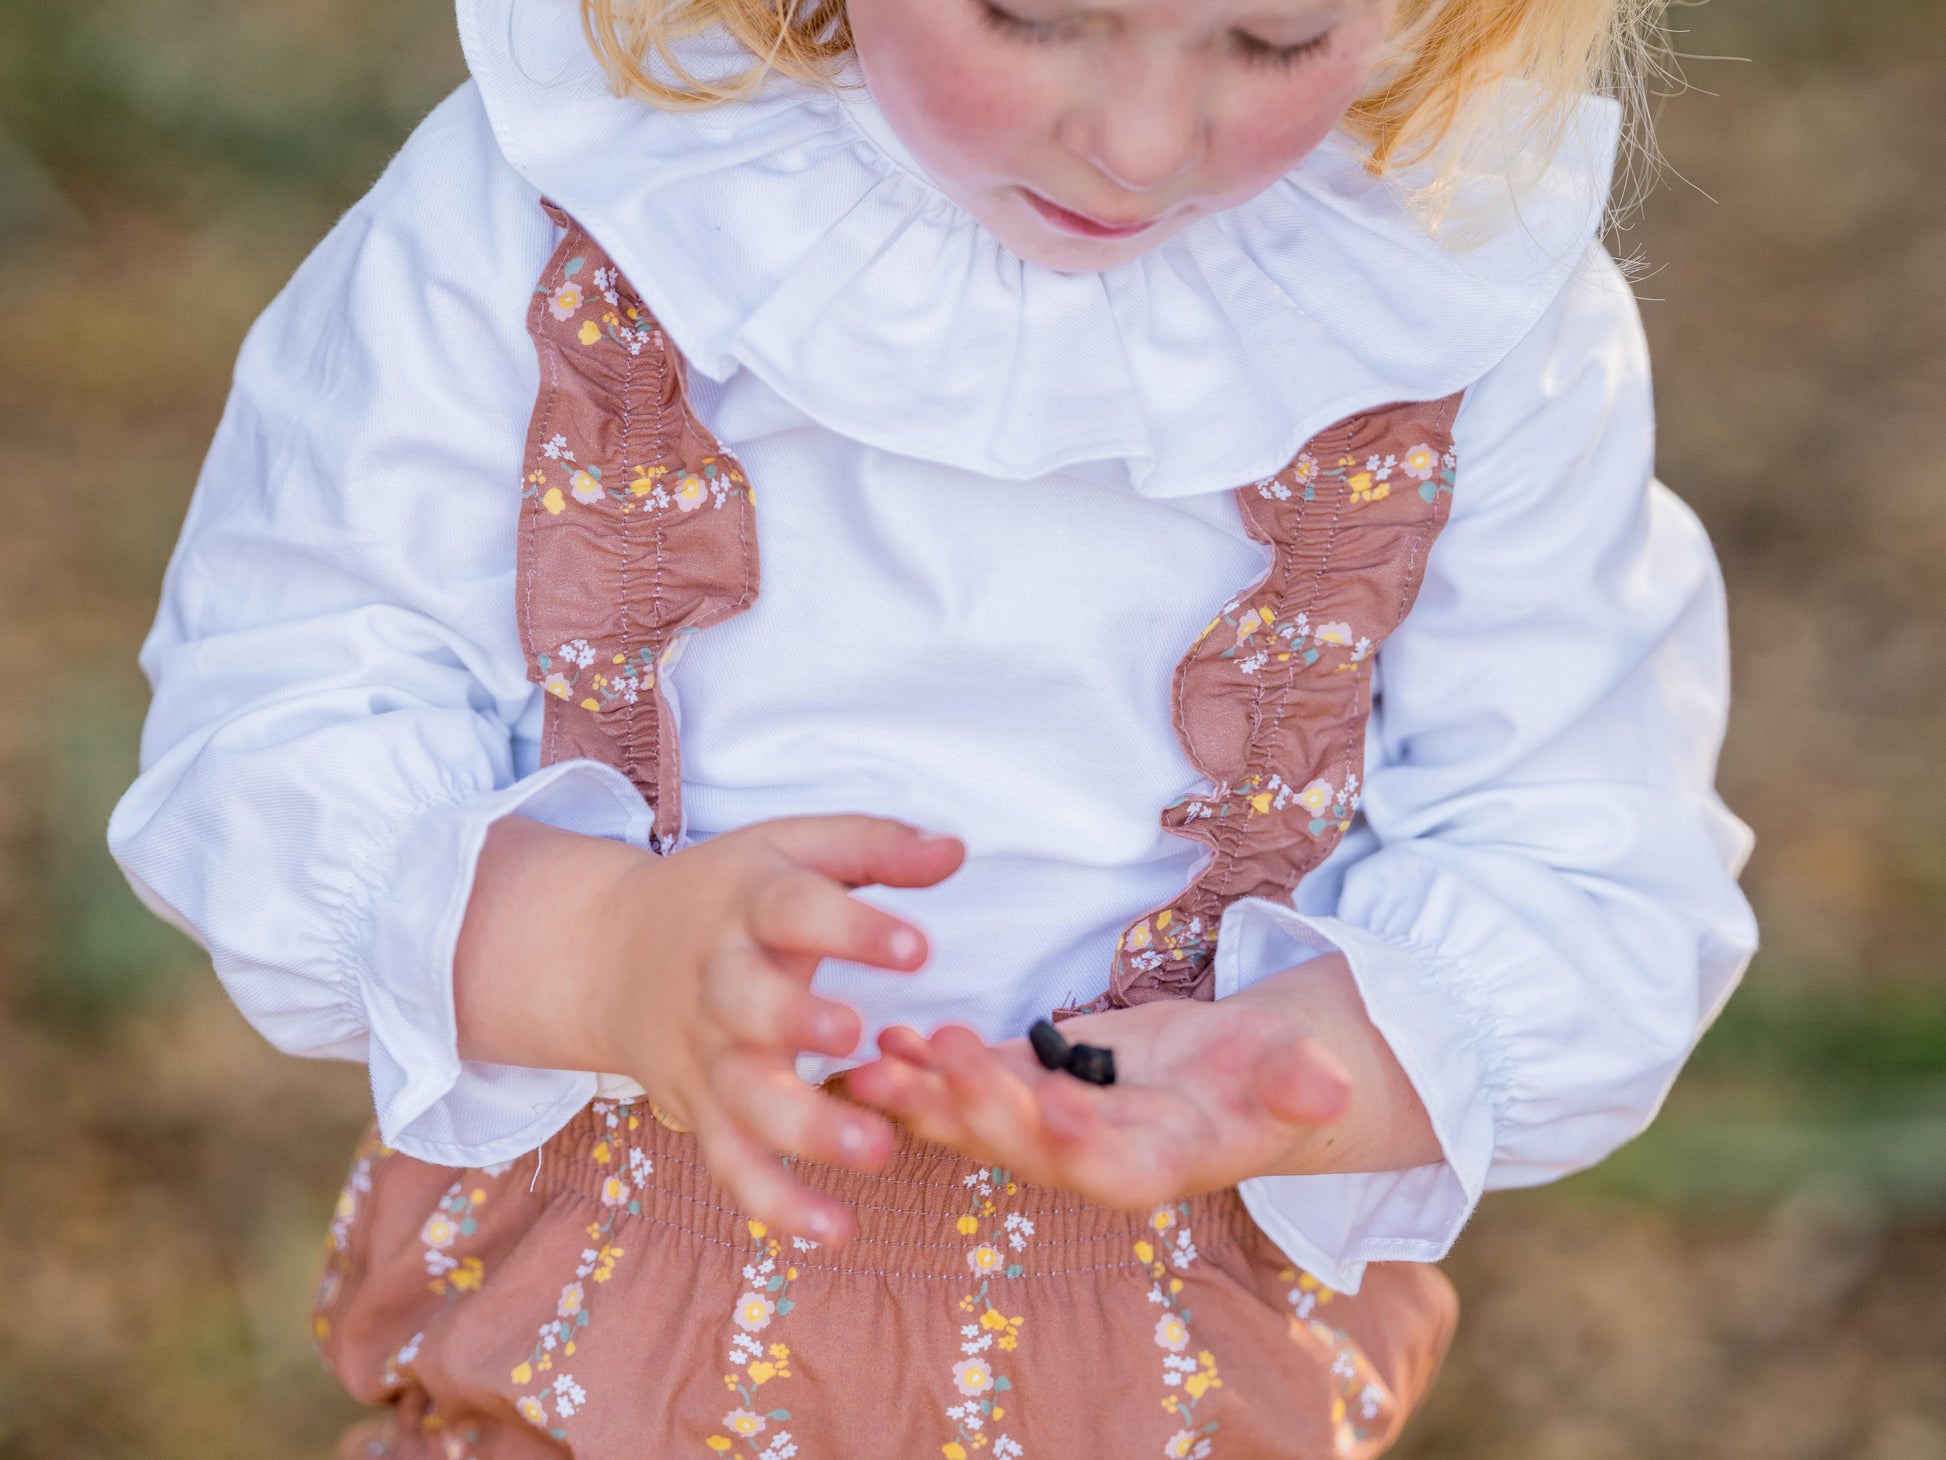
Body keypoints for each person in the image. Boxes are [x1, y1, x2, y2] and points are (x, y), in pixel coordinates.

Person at [108, 0, 1760, 1453]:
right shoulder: (575, 185)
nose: (1140, 142)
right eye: (1030, 15)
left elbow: (1584, 857)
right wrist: (596, 951)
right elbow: (281, 714)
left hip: (1175, 1351)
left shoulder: (1450, 280)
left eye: (1275, 40)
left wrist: (1308, 1071)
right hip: (596, 1302)